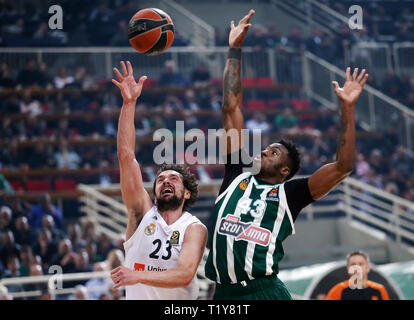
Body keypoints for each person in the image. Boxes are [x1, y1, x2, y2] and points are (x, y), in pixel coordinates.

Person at [204, 9, 369, 300]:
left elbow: (344, 166)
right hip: (223, 294)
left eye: (275, 152)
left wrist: (348, 109)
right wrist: (235, 48)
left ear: (284, 171)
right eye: (268, 147)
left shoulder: (290, 193)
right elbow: (231, 107)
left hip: (264, 290)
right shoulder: (237, 173)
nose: (265, 150)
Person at [109, 61, 208, 300]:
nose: (165, 181)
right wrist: (129, 103)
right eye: (161, 179)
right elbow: (126, 157)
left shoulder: (194, 228)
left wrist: (137, 275)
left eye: (174, 179)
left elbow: (184, 274)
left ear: (186, 193)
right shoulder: (141, 213)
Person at [326, 251, 390, 300]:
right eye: (353, 264)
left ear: (367, 267)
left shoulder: (379, 290)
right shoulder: (338, 291)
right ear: (348, 268)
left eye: (360, 264)